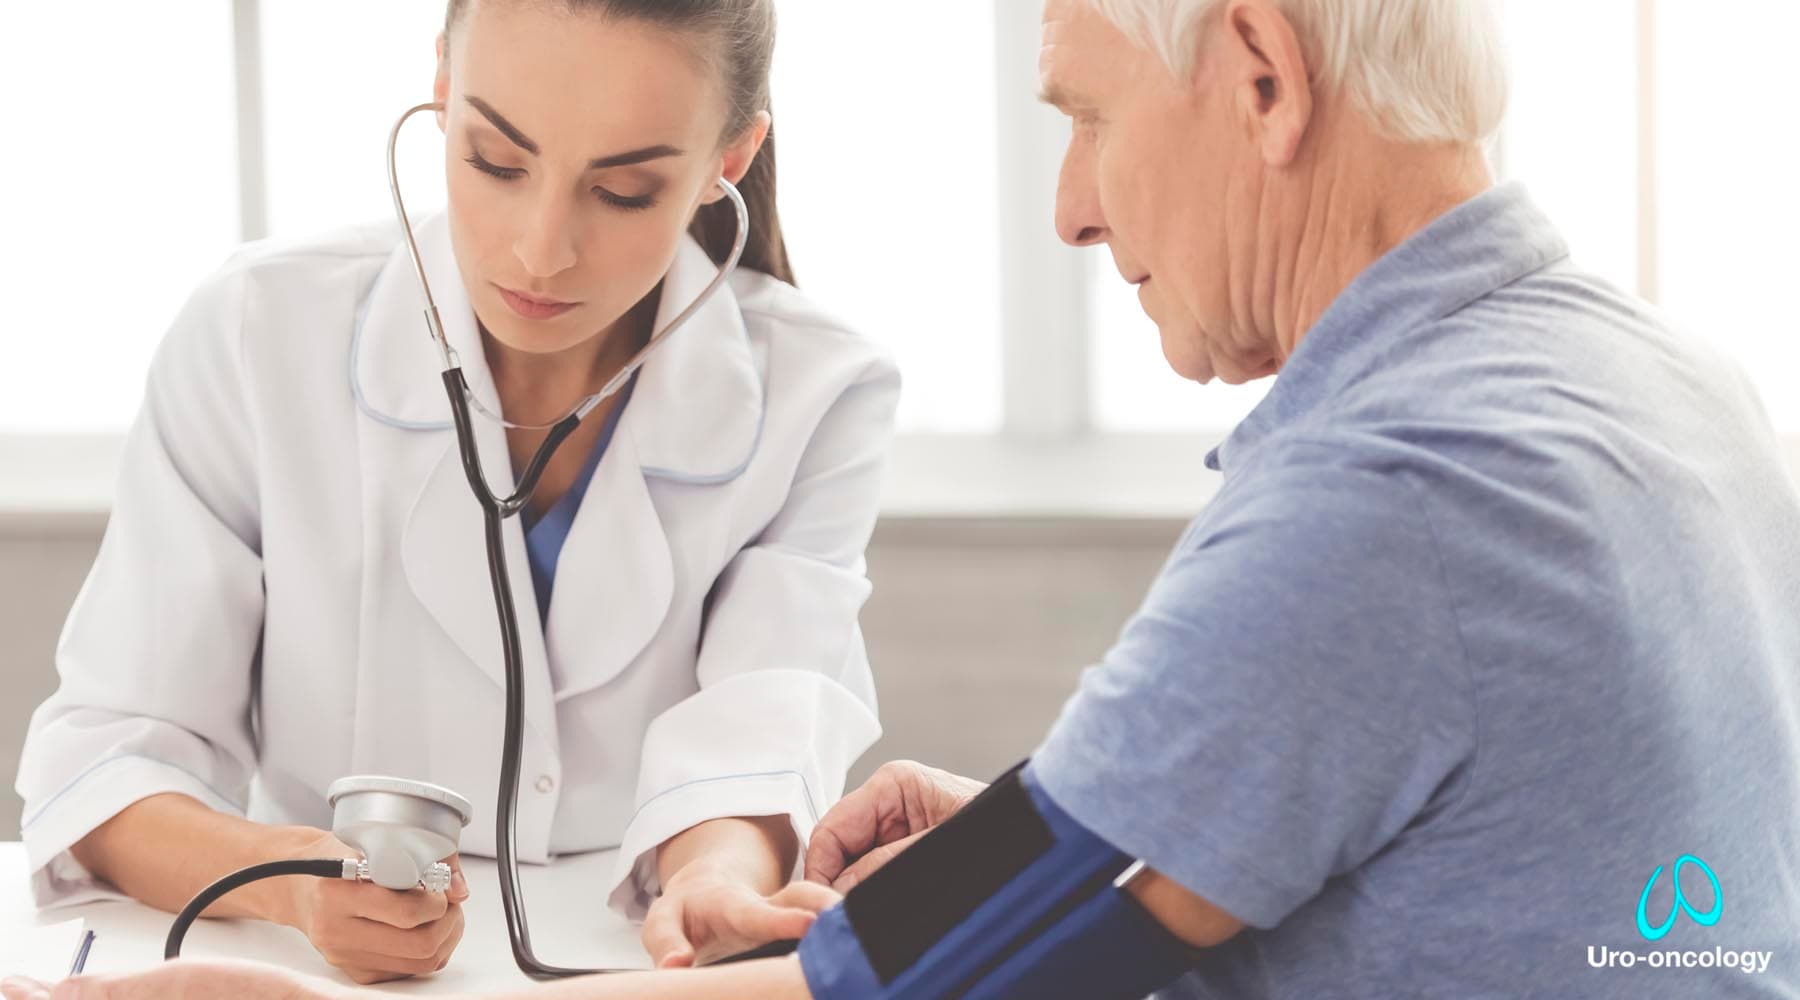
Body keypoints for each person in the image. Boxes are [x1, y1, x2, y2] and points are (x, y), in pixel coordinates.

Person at [13, 0, 1800, 996]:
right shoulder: (1658, 384)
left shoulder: (1395, 495)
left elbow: (912, 992)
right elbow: (1231, 829)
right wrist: (1078, 809)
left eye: (1084, 118)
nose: (1071, 212)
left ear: (1257, 72)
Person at [10, 0, 892, 985]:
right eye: (496, 161)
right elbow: (106, 763)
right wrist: (291, 880)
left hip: (637, 969)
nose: (540, 249)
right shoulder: (257, 333)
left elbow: (759, 728)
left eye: (627, 190)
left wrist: (716, 881)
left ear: (728, 159)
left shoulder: (822, 393)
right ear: (440, 84)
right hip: (307, 968)